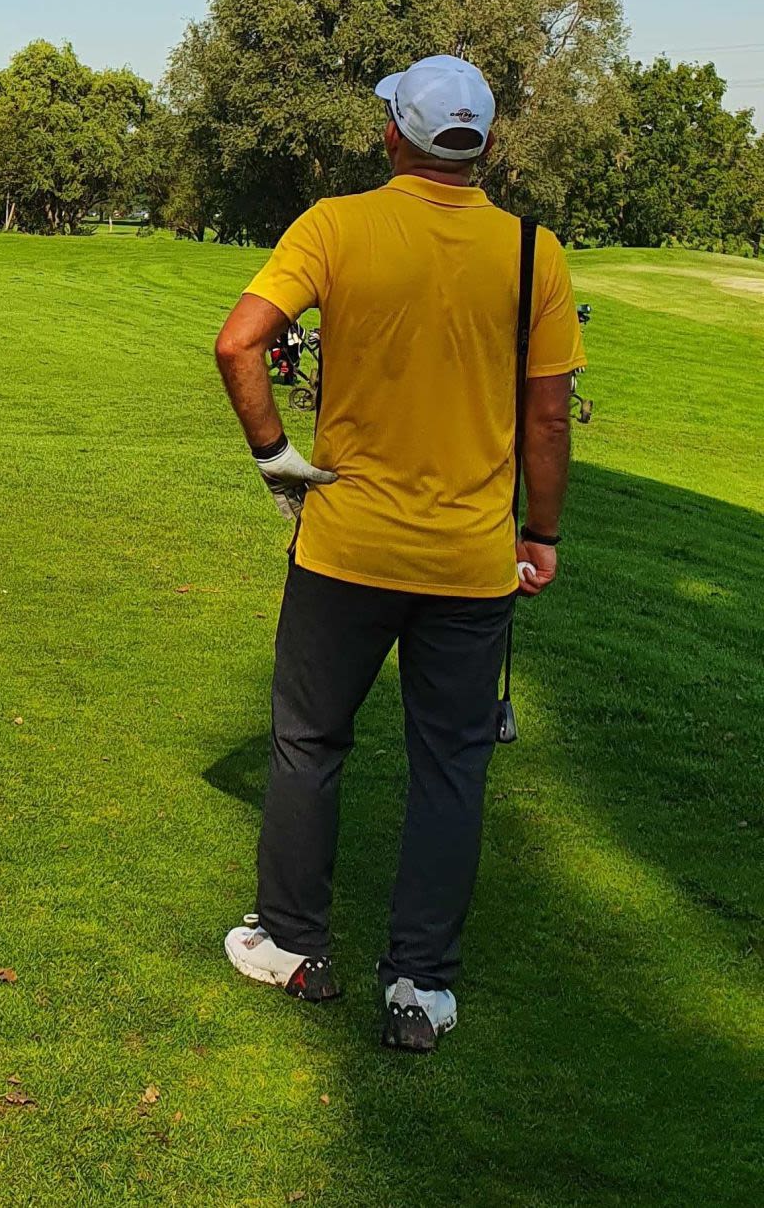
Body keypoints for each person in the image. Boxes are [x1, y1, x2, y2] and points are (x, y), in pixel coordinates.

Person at [211, 54, 585, 1052]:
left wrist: (276, 462)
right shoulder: (528, 252)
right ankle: (417, 984)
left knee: (306, 744)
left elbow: (237, 344)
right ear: (484, 147)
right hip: (468, 563)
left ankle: (291, 944)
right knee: (449, 767)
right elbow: (545, 418)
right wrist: (539, 532)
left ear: (393, 137)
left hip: (343, 549)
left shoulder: (335, 223)